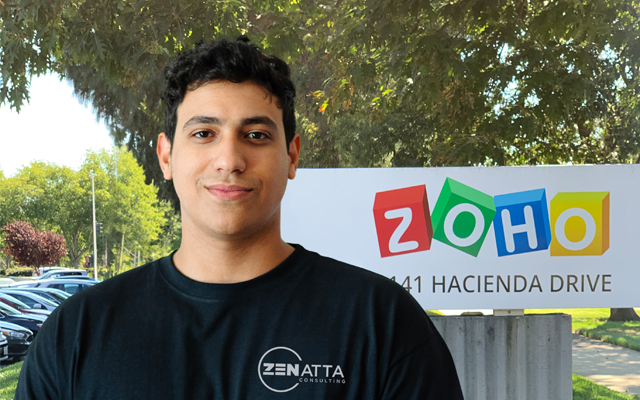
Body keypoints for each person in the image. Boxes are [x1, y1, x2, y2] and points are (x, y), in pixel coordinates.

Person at [15, 37, 464, 399]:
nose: (229, 159)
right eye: (204, 133)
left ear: (291, 155)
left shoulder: (380, 322)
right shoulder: (76, 334)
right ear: (167, 156)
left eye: (255, 134)